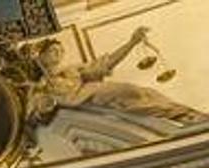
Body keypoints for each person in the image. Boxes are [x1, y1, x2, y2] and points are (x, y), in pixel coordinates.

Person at [28, 28, 206, 124]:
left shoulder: (74, 70)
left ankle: (185, 114)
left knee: (146, 92)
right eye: (52, 51)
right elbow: (37, 113)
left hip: (94, 92)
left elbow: (107, 63)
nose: (58, 55)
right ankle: (180, 115)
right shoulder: (39, 84)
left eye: (60, 51)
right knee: (134, 93)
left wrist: (132, 42)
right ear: (40, 55)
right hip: (93, 98)